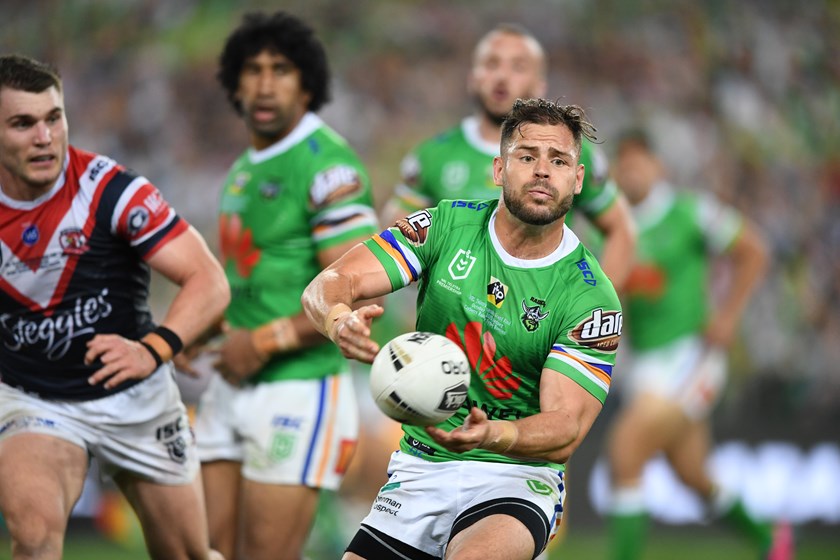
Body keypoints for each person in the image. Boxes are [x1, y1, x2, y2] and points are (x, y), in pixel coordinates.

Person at [302, 98, 623, 560]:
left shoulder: (592, 298)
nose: (542, 171)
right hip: (420, 468)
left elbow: (565, 427)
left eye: (558, 160)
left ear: (577, 179)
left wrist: (491, 433)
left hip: (513, 479)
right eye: (527, 156)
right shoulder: (445, 225)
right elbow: (330, 283)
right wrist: (339, 321)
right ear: (499, 169)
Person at [0, 54, 229, 560]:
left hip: (136, 395)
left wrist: (154, 350)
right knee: (34, 540)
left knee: (189, 554)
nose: (44, 137)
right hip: (36, 398)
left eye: (53, 118)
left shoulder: (109, 189)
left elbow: (209, 281)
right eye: (23, 123)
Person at [189, 11, 379, 560]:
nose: (265, 84)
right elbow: (252, 281)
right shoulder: (243, 169)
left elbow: (360, 293)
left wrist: (264, 341)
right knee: (198, 550)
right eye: (252, 69)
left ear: (308, 83)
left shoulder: (328, 167)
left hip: (299, 387)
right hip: (230, 382)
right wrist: (204, 330)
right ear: (234, 81)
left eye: (282, 69)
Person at [603, 130, 792, 560]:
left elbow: (754, 250)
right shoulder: (614, 228)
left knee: (625, 450)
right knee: (691, 476)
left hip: (691, 357)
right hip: (646, 365)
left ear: (658, 166)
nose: (630, 171)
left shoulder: (689, 211)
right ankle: (771, 540)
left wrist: (727, 316)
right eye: (624, 163)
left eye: (639, 162)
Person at [381, 23, 636, 290]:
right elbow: (389, 242)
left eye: (518, 67)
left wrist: (596, 303)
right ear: (473, 77)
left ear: (540, 85)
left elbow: (621, 229)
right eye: (491, 64)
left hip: (540, 320)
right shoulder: (432, 156)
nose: (502, 76)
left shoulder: (573, 154)